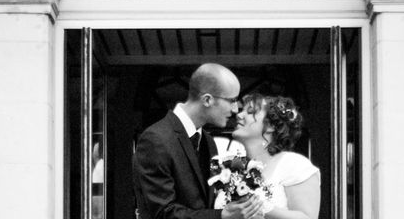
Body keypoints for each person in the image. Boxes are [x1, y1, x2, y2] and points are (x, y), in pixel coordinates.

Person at [133, 63, 264, 219]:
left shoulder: (208, 141)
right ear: (207, 100)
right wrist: (222, 216)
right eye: (231, 100)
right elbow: (162, 213)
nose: (236, 109)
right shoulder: (156, 139)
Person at [232, 94, 320, 219]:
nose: (239, 115)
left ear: (270, 126)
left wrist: (263, 208)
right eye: (242, 111)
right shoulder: (238, 168)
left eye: (251, 112)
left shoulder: (293, 164)